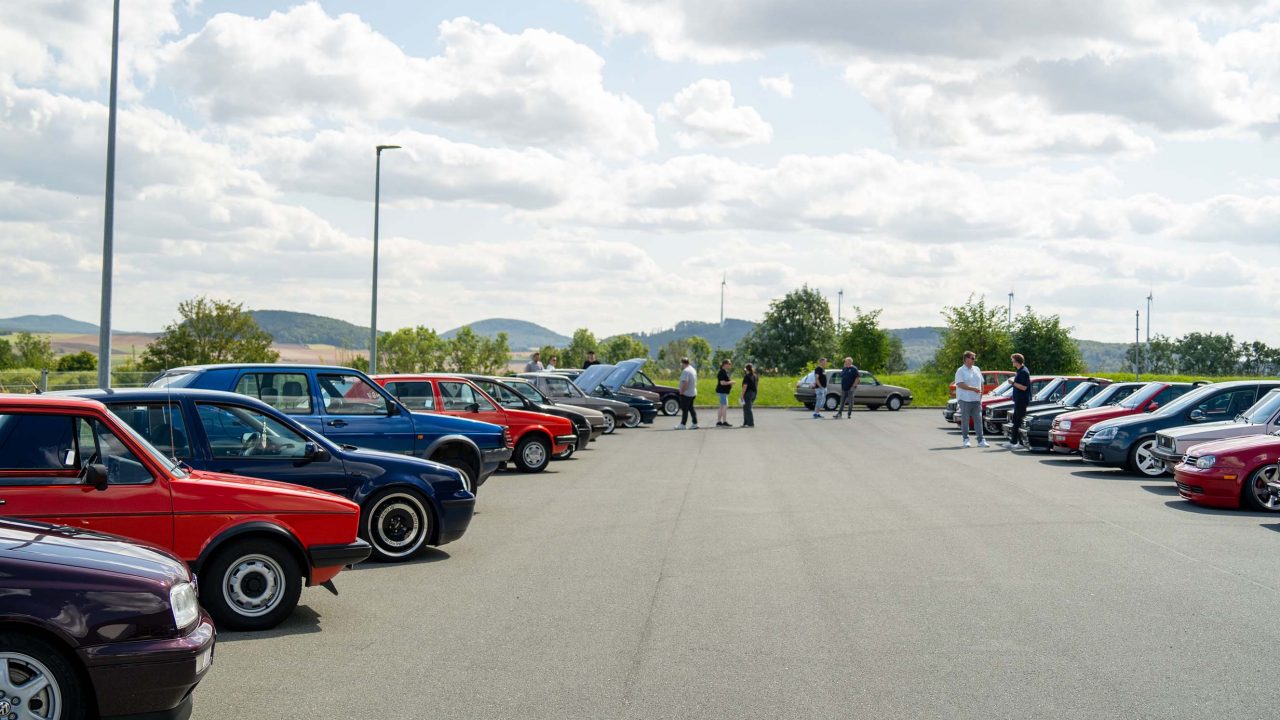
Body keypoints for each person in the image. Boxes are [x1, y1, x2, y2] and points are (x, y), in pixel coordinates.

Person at [954, 350, 988, 448]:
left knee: (978, 420)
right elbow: (959, 384)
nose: (974, 360)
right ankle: (966, 440)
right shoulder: (960, 370)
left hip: (976, 400)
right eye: (972, 358)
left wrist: (981, 395)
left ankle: (981, 440)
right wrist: (972, 389)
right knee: (965, 420)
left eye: (974, 358)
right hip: (965, 399)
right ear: (966, 359)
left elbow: (981, 382)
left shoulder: (976, 369)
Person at [1004, 353, 1031, 450]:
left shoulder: (1024, 372)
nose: (1012, 362)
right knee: (1016, 420)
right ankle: (1013, 441)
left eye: (1013, 360)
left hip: (1022, 400)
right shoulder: (1019, 371)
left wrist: (1013, 383)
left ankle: (1020, 443)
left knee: (1018, 421)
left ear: (1017, 361)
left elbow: (1024, 387)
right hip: (1018, 400)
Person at [675, 357, 699, 430]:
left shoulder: (686, 371)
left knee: (684, 409)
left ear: (682, 363)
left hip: (687, 393)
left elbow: (685, 382)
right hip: (693, 392)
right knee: (691, 408)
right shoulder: (693, 369)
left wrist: (682, 391)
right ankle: (695, 423)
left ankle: (683, 424)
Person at [715, 359, 734, 427]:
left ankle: (719, 421)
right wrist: (731, 382)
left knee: (721, 407)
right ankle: (724, 421)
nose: (730, 365)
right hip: (722, 392)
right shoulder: (722, 372)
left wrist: (730, 383)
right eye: (729, 364)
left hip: (723, 392)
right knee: (724, 406)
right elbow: (722, 383)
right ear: (725, 364)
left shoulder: (725, 372)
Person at [740, 363, 758, 428]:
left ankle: (750, 423)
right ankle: (745, 423)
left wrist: (742, 395)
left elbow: (745, 386)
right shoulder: (755, 376)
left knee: (747, 408)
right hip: (754, 393)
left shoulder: (747, 376)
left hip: (748, 393)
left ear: (746, 369)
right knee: (746, 408)